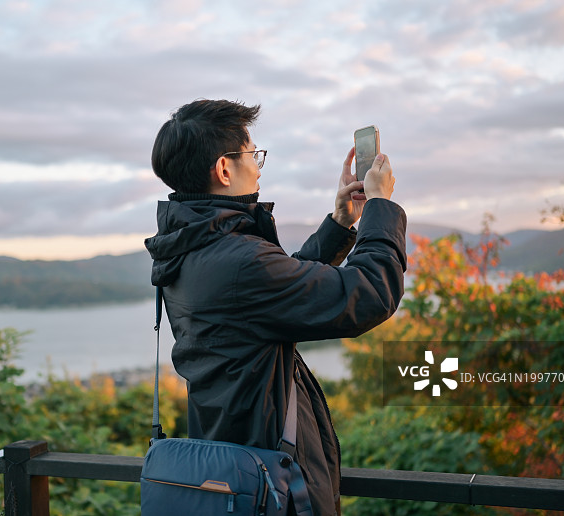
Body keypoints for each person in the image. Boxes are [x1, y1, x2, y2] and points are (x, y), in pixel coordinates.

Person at [144, 99, 407, 515]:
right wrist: (380, 207)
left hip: (231, 468)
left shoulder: (189, 248)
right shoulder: (238, 260)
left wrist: (340, 223)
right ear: (224, 169)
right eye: (253, 153)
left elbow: (274, 293)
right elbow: (370, 293)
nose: (259, 165)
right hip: (273, 485)